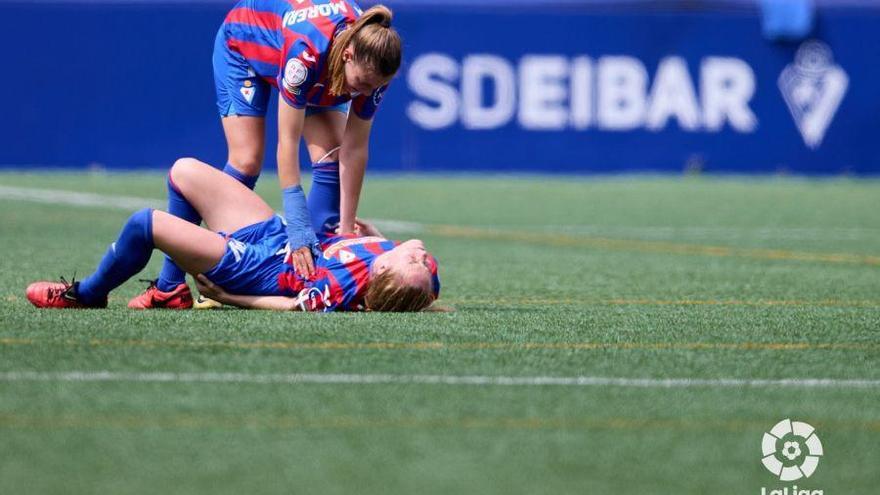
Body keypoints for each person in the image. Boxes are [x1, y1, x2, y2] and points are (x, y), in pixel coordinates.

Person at [130, 1, 402, 308]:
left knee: (332, 152)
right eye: (362, 85)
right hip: (245, 46)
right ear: (348, 55)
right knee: (246, 159)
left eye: (374, 86)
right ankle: (171, 285)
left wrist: (347, 229)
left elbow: (354, 150)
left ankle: (305, 270)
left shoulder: (374, 68)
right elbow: (287, 142)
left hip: (319, 65)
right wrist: (298, 228)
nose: (365, 94)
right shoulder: (306, 54)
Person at [26, 158, 440, 312]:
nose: (421, 257)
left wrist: (231, 298)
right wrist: (379, 237)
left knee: (143, 223)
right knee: (184, 171)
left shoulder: (339, 286)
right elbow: (417, 283)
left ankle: (87, 294)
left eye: (412, 262)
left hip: (256, 270)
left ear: (383, 269)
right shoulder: (421, 278)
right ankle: (170, 291)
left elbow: (294, 305)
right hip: (277, 236)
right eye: (422, 263)